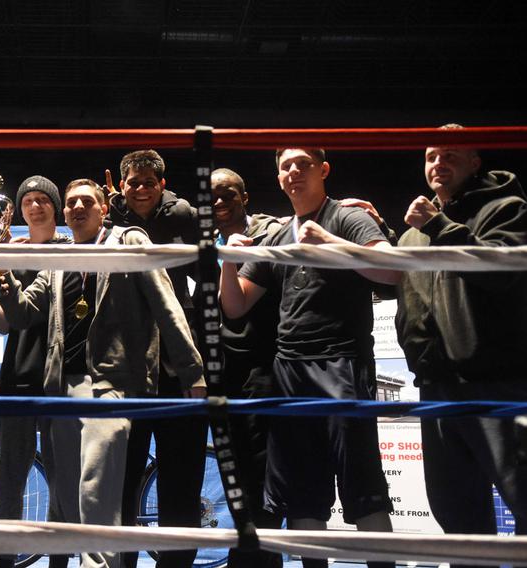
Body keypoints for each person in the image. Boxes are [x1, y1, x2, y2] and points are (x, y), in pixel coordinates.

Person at [0, 178, 205, 568]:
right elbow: (23, 312)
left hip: (111, 385)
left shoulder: (128, 241)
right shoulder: (59, 257)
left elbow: (168, 306)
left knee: (97, 492)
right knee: (71, 501)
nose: (77, 207)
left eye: (86, 201)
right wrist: (2, 274)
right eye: (71, 202)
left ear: (103, 209)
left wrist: (192, 371)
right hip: (61, 388)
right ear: (65, 214)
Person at [219, 148, 399, 568]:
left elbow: (392, 272)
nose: (294, 172)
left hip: (342, 362)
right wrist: (228, 264)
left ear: (324, 170)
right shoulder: (279, 234)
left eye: (303, 164)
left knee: (364, 488)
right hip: (289, 370)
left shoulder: (349, 217)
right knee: (302, 494)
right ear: (278, 177)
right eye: (286, 166)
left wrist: (331, 244)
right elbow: (235, 306)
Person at [395, 125, 527, 563]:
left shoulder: (506, 209)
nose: (438, 164)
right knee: (456, 514)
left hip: (496, 384)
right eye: (432, 156)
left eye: (451, 155)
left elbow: (501, 275)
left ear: (475, 161)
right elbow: (410, 299)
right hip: (436, 389)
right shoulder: (414, 231)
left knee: (522, 496)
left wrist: (440, 227)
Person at [104, 150, 207, 568]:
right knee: (122, 479)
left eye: (149, 182)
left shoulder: (184, 215)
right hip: (129, 367)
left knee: (181, 480)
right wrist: (112, 216)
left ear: (162, 185)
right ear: (122, 186)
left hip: (179, 367)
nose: (141, 189)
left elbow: (213, 274)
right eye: (133, 182)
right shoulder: (112, 223)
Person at [0, 175, 72, 568]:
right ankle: (4, 562)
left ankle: (59, 562)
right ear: (19, 209)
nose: (35, 206)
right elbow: (5, 323)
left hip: (64, 382)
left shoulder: (75, 252)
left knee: (63, 487)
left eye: (43, 199)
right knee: (8, 486)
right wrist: (1, 263)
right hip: (16, 380)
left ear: (55, 207)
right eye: (28, 201)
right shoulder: (11, 254)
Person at [211, 168, 285, 568]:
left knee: (261, 472)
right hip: (219, 373)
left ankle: (260, 559)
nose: (219, 203)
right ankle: (243, 554)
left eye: (228, 195)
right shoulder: (202, 242)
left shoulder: (268, 233)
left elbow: (236, 311)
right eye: (212, 197)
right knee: (233, 471)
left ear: (245, 196)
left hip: (262, 368)